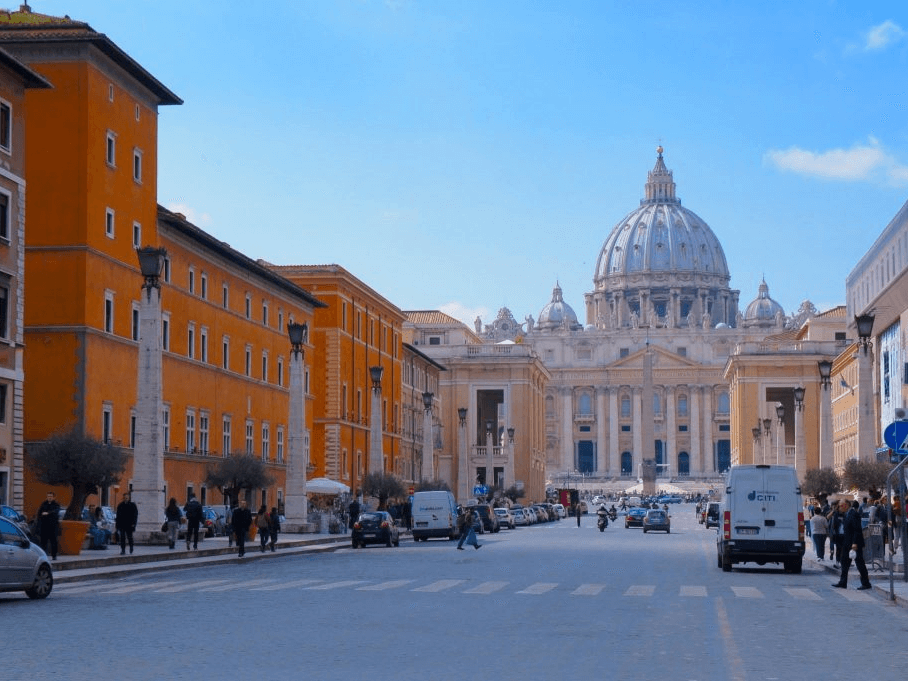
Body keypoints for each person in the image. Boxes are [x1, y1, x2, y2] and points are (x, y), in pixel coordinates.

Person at [832, 500, 872, 590]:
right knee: (844, 562)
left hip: (854, 544)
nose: (839, 508)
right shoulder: (847, 514)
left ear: (845, 505)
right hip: (847, 543)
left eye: (840, 506)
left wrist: (854, 543)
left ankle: (866, 583)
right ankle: (843, 582)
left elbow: (857, 530)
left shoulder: (853, 514)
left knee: (860, 563)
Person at [37, 492, 61, 560]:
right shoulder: (44, 504)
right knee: (43, 541)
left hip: (53, 526)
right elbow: (39, 513)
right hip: (44, 526)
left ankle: (54, 555)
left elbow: (56, 512)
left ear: (53, 497)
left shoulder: (56, 504)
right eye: (48, 496)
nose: (49, 497)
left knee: (53, 541)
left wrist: (48, 513)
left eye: (50, 496)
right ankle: (44, 555)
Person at [828, 502, 846, 567]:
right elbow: (833, 523)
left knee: (843, 549)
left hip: (844, 534)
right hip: (838, 534)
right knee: (838, 549)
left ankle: (842, 562)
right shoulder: (836, 514)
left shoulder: (845, 515)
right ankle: (837, 562)